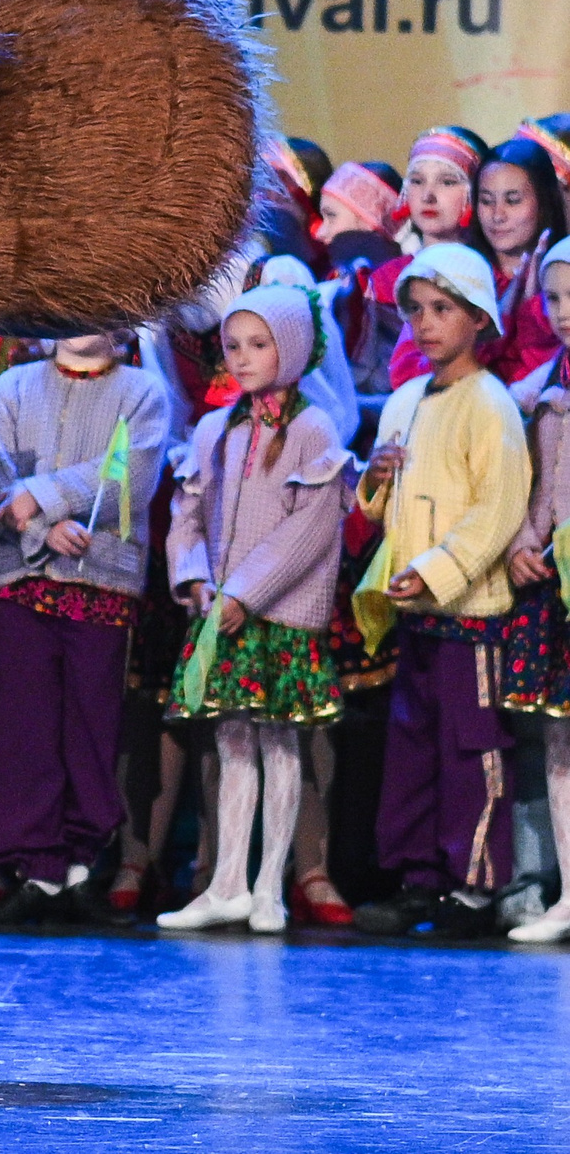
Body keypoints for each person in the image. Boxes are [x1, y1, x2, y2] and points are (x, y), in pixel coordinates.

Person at [157, 284, 353, 933]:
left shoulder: (313, 429)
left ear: (290, 348)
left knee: (279, 742)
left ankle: (271, 884)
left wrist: (244, 591)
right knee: (232, 740)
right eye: (233, 345)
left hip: (279, 614)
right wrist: (195, 579)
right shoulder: (216, 428)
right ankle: (226, 882)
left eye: (258, 344)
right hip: (221, 612)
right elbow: (187, 515)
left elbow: (307, 529)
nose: (241, 357)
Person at [351, 244, 530, 939]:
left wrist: (437, 567)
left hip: (469, 612)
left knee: (471, 749)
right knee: (413, 749)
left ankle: (476, 882)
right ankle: (418, 877)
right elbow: (379, 506)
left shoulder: (490, 407)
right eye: (416, 310)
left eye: (442, 309)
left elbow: (497, 508)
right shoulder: (403, 399)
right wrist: (376, 477)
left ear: (478, 317)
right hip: (418, 614)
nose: (426, 323)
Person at [0, 327, 170, 926]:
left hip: (100, 576)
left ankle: (82, 866)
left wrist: (44, 495)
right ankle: (37, 871)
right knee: (21, 723)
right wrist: (40, 530)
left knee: (91, 722)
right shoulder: (13, 386)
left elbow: (130, 479)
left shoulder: (142, 392)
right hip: (23, 577)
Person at [500, 236, 570, 943]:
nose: (565, 310)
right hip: (556, 588)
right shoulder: (538, 395)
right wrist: (522, 540)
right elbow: (525, 488)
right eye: (553, 297)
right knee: (555, 737)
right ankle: (566, 892)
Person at [388, 137, 563, 388]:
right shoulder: (453, 273)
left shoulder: (561, 276)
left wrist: (534, 313)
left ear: (544, 202)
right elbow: (405, 376)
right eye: (486, 201)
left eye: (512, 200)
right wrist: (497, 323)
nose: (497, 215)